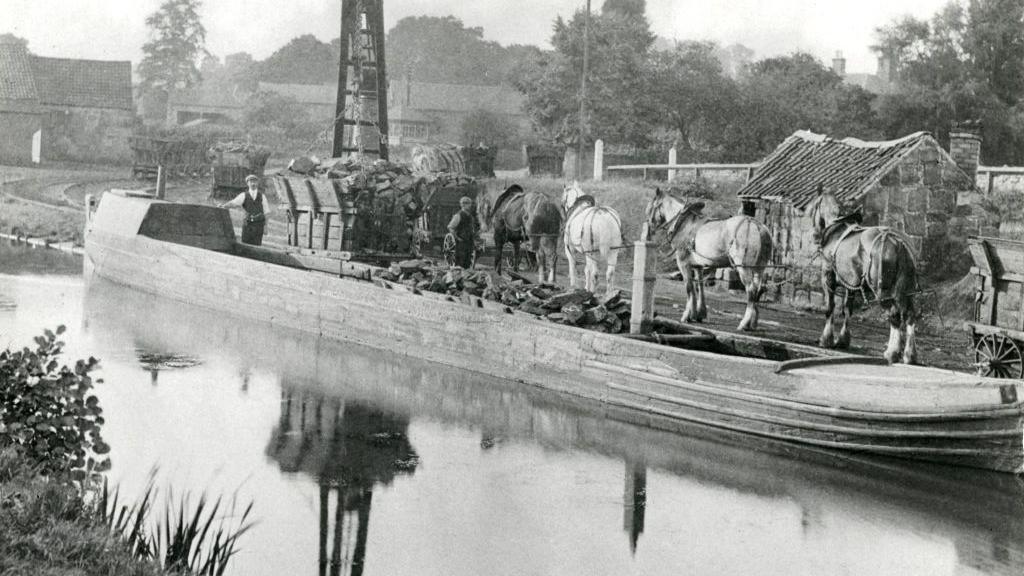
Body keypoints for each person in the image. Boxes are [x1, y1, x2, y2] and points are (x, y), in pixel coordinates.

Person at [220, 174, 271, 245]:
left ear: (258, 183)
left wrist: (266, 226)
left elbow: (267, 212)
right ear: (247, 183)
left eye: (255, 182)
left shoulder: (262, 196)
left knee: (257, 246)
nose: (253, 184)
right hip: (247, 225)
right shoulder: (243, 195)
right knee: (245, 244)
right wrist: (224, 206)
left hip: (258, 226)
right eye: (251, 182)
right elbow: (233, 203)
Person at [447, 196, 480, 269]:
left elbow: (472, 228)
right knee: (460, 262)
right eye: (467, 203)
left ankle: (466, 275)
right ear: (462, 205)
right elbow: (450, 227)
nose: (469, 205)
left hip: (469, 241)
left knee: (468, 261)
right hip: (461, 242)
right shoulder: (458, 215)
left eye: (470, 203)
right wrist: (457, 237)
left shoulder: (470, 216)